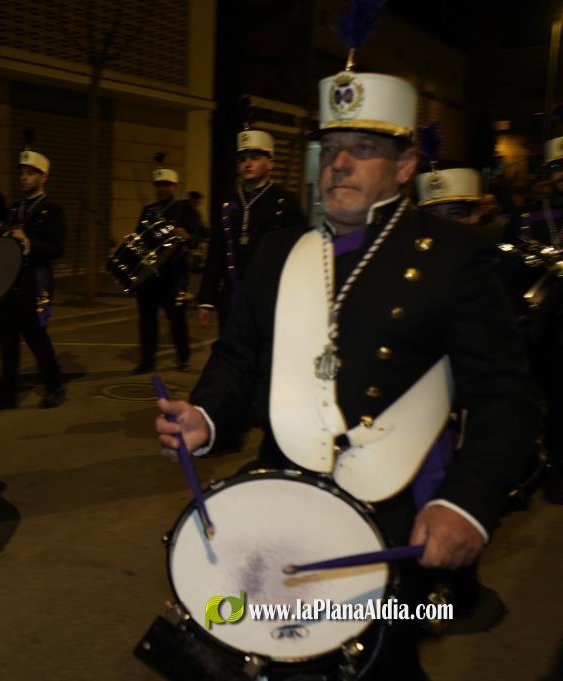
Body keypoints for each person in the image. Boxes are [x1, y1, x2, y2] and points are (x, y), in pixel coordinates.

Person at [155, 62, 540, 678]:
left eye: (363, 149)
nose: (339, 164)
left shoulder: (454, 259)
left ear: (405, 165)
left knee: (379, 663)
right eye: (331, 149)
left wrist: (466, 504)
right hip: (282, 489)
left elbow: (504, 398)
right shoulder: (278, 252)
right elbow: (239, 356)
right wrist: (205, 415)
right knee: (256, 646)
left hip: (394, 506)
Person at [197, 117, 305, 335]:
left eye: (255, 157)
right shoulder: (229, 202)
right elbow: (217, 252)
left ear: (270, 162)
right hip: (232, 296)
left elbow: (300, 254)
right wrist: (206, 300)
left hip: (270, 297)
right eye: (242, 159)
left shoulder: (285, 201)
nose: (247, 164)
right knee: (231, 358)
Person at [0, 145, 66, 411]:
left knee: (37, 340)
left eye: (31, 173)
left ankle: (54, 386)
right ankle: (6, 395)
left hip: (33, 284)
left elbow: (57, 248)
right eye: (23, 172)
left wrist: (28, 243)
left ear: (43, 177)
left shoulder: (51, 210)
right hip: (8, 283)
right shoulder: (15, 208)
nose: (24, 177)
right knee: (7, 341)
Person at [513, 133, 563, 504]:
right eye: (557, 168)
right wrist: (531, 260)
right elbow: (507, 253)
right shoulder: (529, 215)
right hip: (542, 325)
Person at [132, 161, 203, 373]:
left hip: (174, 273)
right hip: (150, 273)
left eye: (166, 184)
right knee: (147, 318)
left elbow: (200, 233)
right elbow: (139, 237)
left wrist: (188, 236)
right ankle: (147, 360)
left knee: (176, 316)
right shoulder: (148, 210)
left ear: (174, 186)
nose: (162, 189)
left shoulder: (184, 209)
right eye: (159, 185)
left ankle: (183, 357)